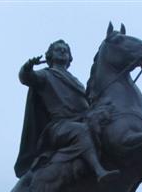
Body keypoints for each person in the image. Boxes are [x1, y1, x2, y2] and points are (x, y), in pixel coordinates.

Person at [14, 40, 119, 183]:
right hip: (60, 126)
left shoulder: (76, 80)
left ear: (70, 57)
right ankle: (99, 171)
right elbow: (26, 77)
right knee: (81, 131)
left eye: (65, 50)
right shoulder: (45, 75)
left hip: (81, 119)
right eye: (58, 49)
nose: (63, 51)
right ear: (50, 56)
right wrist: (27, 66)